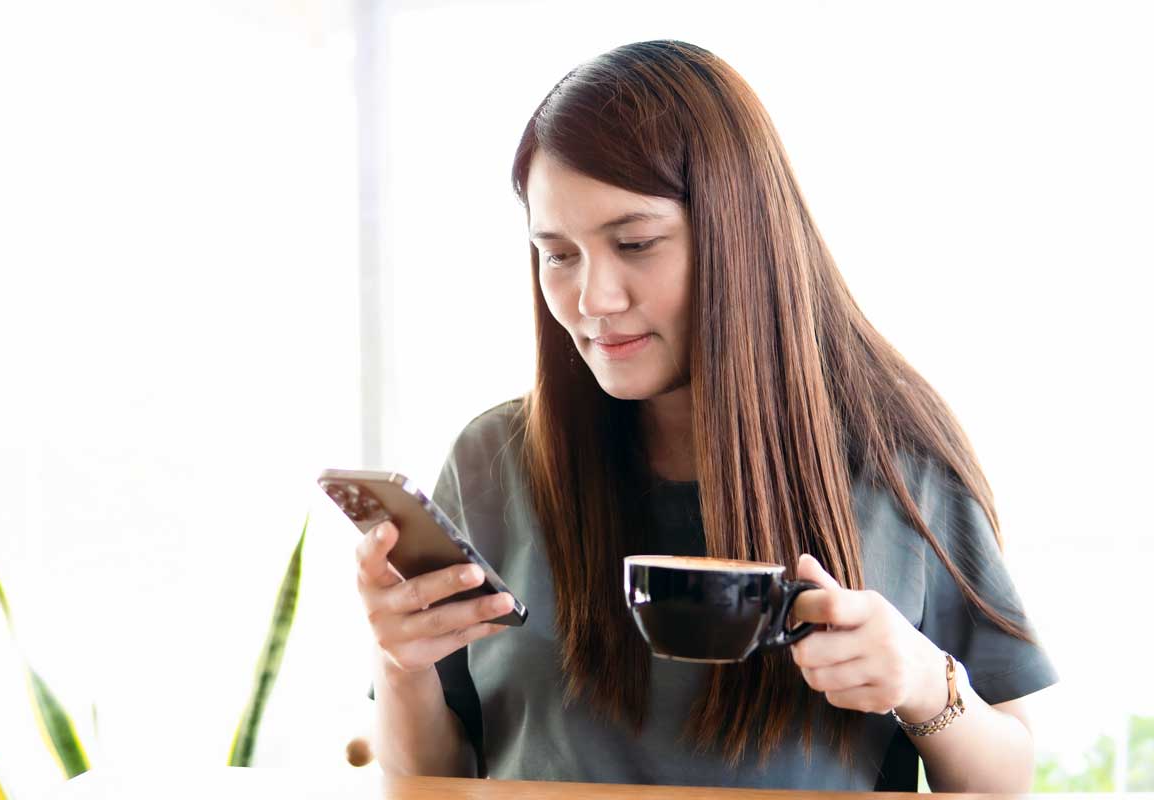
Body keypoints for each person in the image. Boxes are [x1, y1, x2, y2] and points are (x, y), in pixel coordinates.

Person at [355, 40, 1056, 791]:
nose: (593, 299)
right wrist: (402, 665)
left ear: (743, 236)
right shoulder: (493, 462)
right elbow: (432, 782)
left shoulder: (898, 465)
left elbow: (1005, 780)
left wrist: (924, 684)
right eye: (558, 255)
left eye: (635, 243)